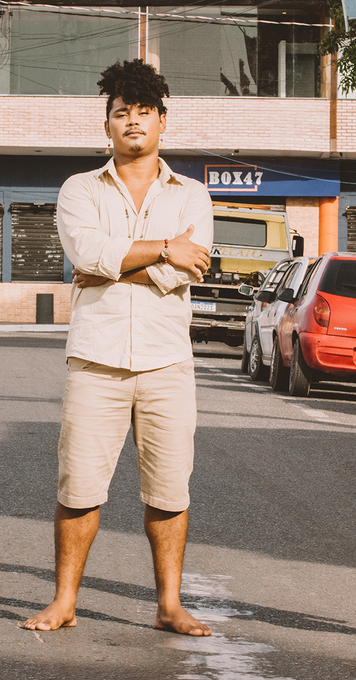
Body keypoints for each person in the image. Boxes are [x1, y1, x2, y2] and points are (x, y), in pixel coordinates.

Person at [23, 59, 215, 636]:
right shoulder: (79, 189)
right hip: (96, 361)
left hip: (167, 361)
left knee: (169, 490)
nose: (133, 121)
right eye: (122, 112)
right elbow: (87, 255)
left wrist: (116, 265)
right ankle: (64, 601)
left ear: (162, 122)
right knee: (79, 487)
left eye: (144, 112)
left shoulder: (192, 194)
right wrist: (163, 249)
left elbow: (189, 268)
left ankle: (169, 605)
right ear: (106, 124)